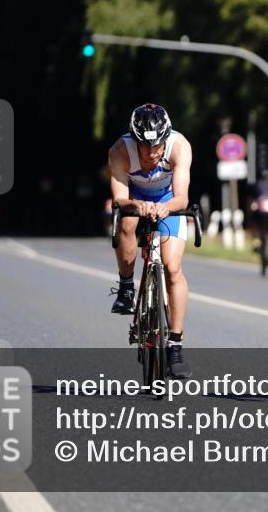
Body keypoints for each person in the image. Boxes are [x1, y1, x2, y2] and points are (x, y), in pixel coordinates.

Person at [108, 103, 194, 378]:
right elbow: (119, 199)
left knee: (172, 267)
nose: (151, 152)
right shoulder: (120, 151)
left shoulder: (180, 147)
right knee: (127, 220)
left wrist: (165, 208)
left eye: (157, 146)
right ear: (134, 140)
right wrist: (136, 205)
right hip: (135, 197)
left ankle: (175, 345)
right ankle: (126, 286)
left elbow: (182, 198)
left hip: (168, 200)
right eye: (144, 146)